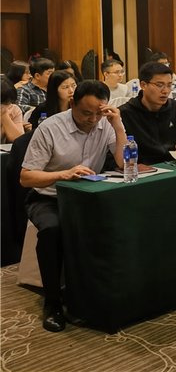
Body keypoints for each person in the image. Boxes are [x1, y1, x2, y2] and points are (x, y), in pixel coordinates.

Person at [21, 80, 127, 332]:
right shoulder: (50, 128)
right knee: (52, 230)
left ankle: (104, 294)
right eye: (86, 113)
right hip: (49, 196)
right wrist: (63, 174)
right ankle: (53, 302)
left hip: (87, 196)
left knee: (121, 221)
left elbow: (124, 164)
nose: (93, 120)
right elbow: (26, 177)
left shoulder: (105, 123)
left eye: (98, 113)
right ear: (72, 104)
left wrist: (118, 126)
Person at [119, 62, 176, 164]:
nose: (165, 91)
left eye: (169, 85)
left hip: (174, 164)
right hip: (143, 168)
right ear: (143, 85)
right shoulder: (125, 113)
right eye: (159, 85)